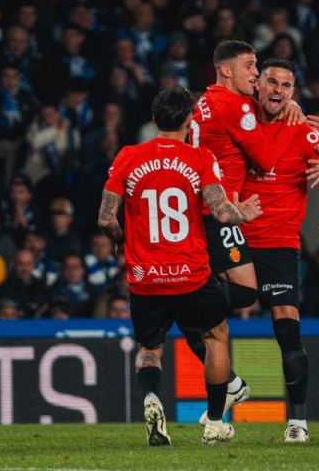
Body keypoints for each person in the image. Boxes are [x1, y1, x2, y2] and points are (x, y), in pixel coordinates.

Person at [98, 86, 262, 446]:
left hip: (145, 278)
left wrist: (122, 240)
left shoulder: (128, 156)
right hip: (190, 275)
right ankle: (215, 422)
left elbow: (106, 217)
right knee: (215, 336)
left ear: (155, 119)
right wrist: (243, 214)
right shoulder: (200, 158)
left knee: (150, 349)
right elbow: (220, 211)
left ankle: (151, 398)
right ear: (189, 120)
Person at [233, 59, 319, 442]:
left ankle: (297, 423)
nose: (278, 89)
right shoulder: (239, 119)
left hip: (280, 245)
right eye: (271, 81)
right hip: (237, 239)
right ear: (258, 86)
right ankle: (219, 407)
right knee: (206, 315)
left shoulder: (306, 135)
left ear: (293, 93)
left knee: (287, 332)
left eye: (286, 84)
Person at [188, 40, 302, 415]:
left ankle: (224, 397)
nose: (256, 74)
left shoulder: (206, 101)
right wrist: (289, 119)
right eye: (251, 66)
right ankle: (185, 303)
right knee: (245, 292)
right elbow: (266, 159)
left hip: (201, 209)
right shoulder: (236, 105)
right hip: (218, 213)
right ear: (226, 70)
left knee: (217, 319)